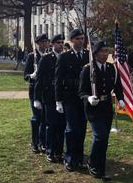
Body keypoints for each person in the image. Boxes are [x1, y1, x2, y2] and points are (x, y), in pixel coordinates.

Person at [79, 40, 125, 181]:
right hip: (93, 108)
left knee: (104, 139)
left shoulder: (112, 68)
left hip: (106, 108)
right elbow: (81, 92)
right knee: (100, 136)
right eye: (102, 52)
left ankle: (99, 166)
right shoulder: (88, 69)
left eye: (107, 51)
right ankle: (94, 165)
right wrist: (88, 98)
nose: (105, 54)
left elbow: (117, 86)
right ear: (95, 54)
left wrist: (121, 98)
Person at [55, 29, 89, 171]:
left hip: (84, 99)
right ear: (71, 40)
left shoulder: (88, 56)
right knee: (71, 129)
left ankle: (79, 158)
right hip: (70, 98)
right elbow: (58, 79)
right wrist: (58, 100)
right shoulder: (64, 57)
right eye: (77, 39)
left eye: (82, 39)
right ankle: (69, 158)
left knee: (81, 129)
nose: (80, 41)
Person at [34, 34, 66, 163]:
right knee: (51, 124)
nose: (61, 44)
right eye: (58, 42)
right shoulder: (46, 58)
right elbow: (39, 79)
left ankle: (59, 151)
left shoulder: (65, 57)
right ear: (52, 44)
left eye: (62, 42)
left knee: (62, 125)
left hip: (63, 96)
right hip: (49, 96)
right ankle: (50, 151)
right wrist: (37, 98)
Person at [24, 33, 49, 153]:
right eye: (43, 42)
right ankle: (34, 142)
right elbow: (25, 75)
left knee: (45, 118)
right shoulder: (31, 56)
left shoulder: (49, 56)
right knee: (36, 118)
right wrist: (31, 76)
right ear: (38, 43)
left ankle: (42, 142)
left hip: (46, 91)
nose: (45, 44)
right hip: (34, 91)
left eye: (46, 42)